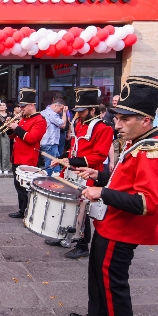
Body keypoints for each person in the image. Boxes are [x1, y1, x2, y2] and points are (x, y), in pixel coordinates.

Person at [70, 76, 158, 316]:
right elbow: (124, 180)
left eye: (124, 119)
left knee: (114, 284)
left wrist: (101, 191)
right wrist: (99, 175)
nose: (116, 124)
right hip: (111, 225)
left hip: (123, 230)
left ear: (144, 120)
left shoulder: (152, 150)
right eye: (117, 118)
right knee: (97, 274)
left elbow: (147, 203)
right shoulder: (140, 141)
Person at [48, 86, 113, 259]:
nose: (78, 114)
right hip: (71, 170)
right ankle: (65, 236)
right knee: (66, 205)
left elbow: (99, 156)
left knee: (82, 211)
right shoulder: (77, 123)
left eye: (82, 111)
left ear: (93, 110)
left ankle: (83, 245)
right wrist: (62, 157)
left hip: (88, 173)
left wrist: (72, 161)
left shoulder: (104, 128)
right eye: (77, 111)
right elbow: (73, 148)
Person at [7, 88, 47, 218]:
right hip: (17, 157)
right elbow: (13, 137)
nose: (21, 109)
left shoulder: (40, 120)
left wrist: (16, 127)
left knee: (26, 188)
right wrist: (9, 128)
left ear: (32, 105)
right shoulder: (23, 118)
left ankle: (29, 212)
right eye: (20, 106)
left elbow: (31, 139)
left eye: (23, 106)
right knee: (18, 186)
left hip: (28, 159)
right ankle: (22, 209)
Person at [40, 99, 67, 176]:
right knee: (50, 165)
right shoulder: (51, 113)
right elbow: (62, 124)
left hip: (46, 142)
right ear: (55, 105)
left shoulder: (43, 112)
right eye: (61, 109)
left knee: (56, 161)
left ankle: (58, 176)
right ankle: (46, 181)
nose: (61, 111)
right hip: (50, 143)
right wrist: (64, 113)